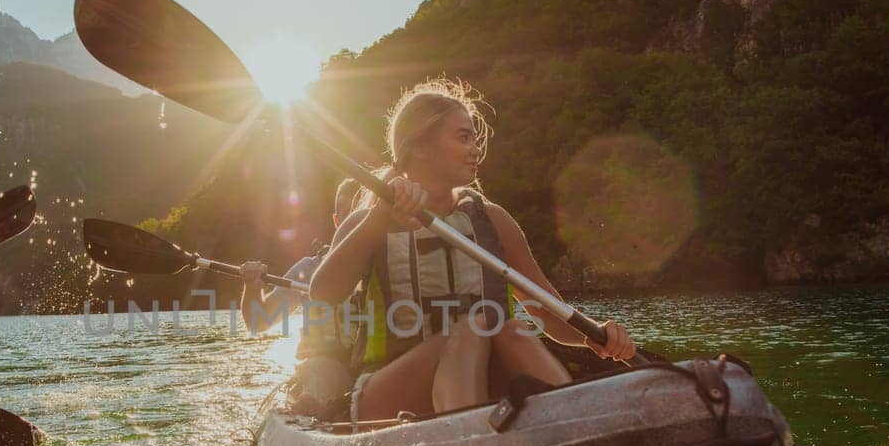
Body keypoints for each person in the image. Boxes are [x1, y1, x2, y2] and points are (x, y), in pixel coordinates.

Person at [310, 79, 635, 427]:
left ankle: (576, 431)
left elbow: (549, 313)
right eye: (463, 137)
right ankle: (466, 443)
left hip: (480, 382)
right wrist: (378, 220)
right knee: (474, 327)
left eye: (475, 139)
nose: (474, 149)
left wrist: (595, 335)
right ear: (420, 148)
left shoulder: (493, 221)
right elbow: (323, 294)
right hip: (388, 393)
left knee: (511, 331)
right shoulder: (369, 219)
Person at [238, 178, 362, 407]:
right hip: (321, 368)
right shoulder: (308, 269)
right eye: (347, 214)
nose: (355, 221)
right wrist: (252, 287)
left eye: (361, 213)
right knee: (323, 379)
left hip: (371, 370)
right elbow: (258, 322)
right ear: (337, 221)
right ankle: (311, 407)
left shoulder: (392, 263)